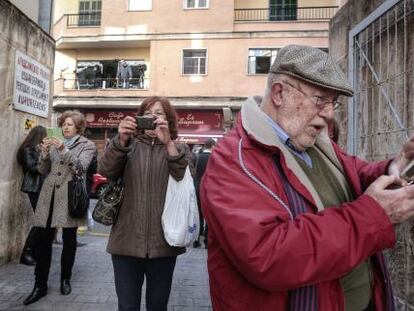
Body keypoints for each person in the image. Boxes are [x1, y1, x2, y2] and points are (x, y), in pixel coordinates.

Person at [200, 45, 414, 311]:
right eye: (320, 100)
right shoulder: (233, 160)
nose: (329, 114)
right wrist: (373, 214)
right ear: (279, 93)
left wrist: (400, 164)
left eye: (332, 103)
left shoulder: (314, 142)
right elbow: (269, 256)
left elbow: (355, 178)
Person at [98, 96, 191, 311]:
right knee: (127, 306)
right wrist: (120, 140)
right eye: (148, 113)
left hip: (164, 242)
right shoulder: (128, 146)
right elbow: (105, 170)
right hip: (126, 241)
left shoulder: (179, 149)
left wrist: (168, 143)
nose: (153, 117)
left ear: (168, 119)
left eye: (158, 113)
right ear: (139, 118)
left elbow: (182, 177)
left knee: (158, 306)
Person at [23, 110, 97, 306]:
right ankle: (40, 285)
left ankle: (65, 278)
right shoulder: (53, 141)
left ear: (78, 127)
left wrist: (64, 150)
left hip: (70, 197)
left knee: (69, 241)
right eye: (64, 124)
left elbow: (80, 168)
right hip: (49, 197)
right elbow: (42, 170)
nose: (65, 127)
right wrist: (45, 153)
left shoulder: (87, 145)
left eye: (70, 124)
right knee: (43, 241)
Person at [17, 125, 47, 266]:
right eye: (44, 136)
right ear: (39, 136)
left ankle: (34, 251)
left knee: (44, 221)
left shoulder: (38, 150)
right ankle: (26, 253)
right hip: (34, 188)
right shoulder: (28, 150)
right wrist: (43, 156)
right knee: (41, 221)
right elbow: (33, 169)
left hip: (43, 188)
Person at [193, 138, 216, 249]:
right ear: (212, 146)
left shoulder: (197, 157)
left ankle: (196, 240)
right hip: (209, 189)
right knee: (208, 216)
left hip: (197, 187)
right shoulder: (214, 158)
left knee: (198, 215)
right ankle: (207, 240)